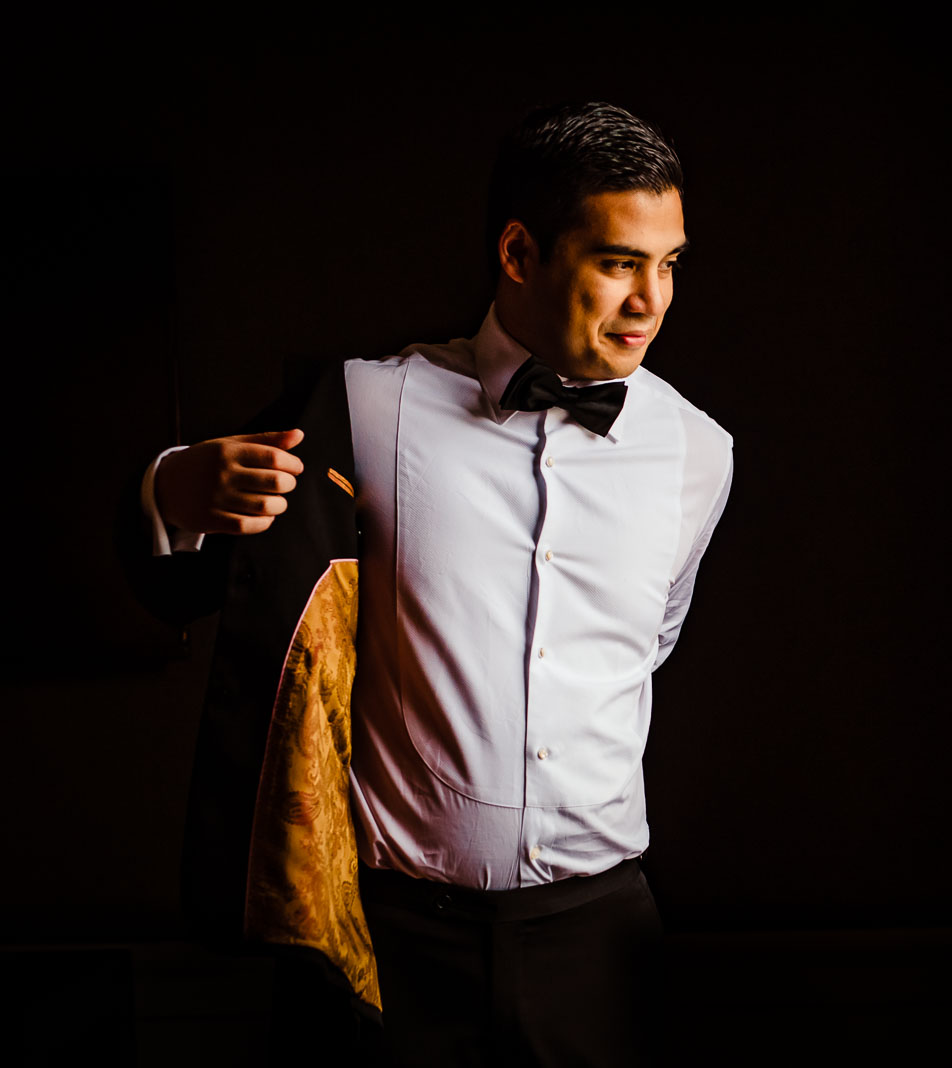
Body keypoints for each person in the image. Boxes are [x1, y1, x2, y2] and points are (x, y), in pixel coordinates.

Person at [130, 101, 733, 1066]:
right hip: (395, 944)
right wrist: (174, 489)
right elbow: (203, 588)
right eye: (619, 261)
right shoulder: (365, 405)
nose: (651, 301)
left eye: (670, 264)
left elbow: (647, 647)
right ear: (520, 252)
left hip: (606, 943)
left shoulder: (700, 453)